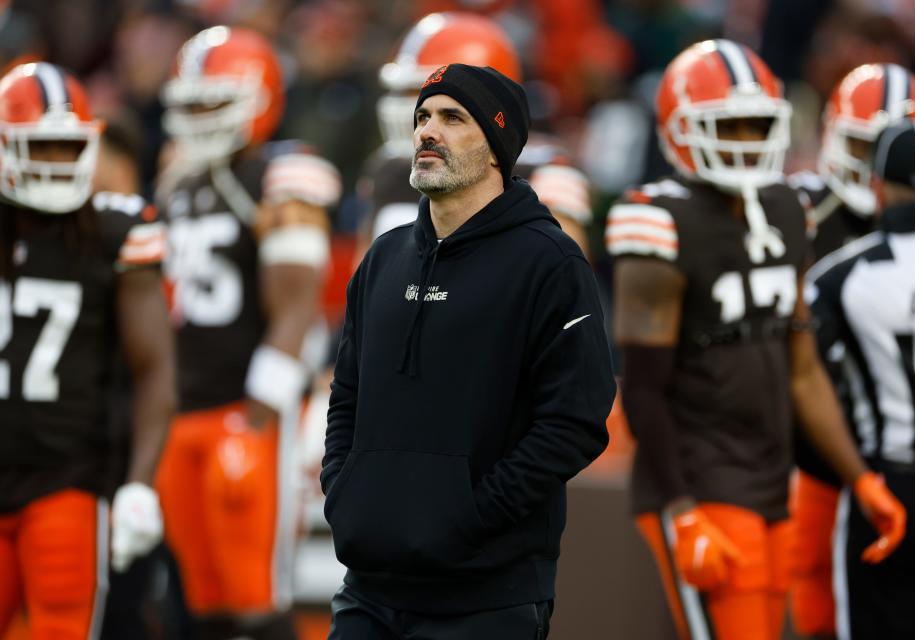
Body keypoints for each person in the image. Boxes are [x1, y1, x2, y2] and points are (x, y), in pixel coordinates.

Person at [606, 40, 906, 640]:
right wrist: (679, 509)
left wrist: (859, 476)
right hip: (702, 481)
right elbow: (642, 390)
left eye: (755, 125)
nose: (743, 140)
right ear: (679, 130)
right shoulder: (658, 222)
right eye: (727, 125)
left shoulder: (787, 208)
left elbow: (802, 368)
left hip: (773, 482)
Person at [322, 63, 616, 639]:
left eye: (453, 117)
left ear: (495, 148)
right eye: (423, 117)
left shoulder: (549, 262)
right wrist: (345, 490)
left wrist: (472, 517)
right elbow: (347, 393)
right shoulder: (382, 257)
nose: (427, 131)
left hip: (487, 598)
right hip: (368, 589)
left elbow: (576, 421)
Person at [153, 26, 341, 640]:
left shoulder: (280, 179)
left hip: (247, 407)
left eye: (215, 100)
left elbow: (296, 308)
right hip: (185, 408)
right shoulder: (178, 181)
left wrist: (253, 420)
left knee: (253, 590)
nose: (200, 115)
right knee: (201, 596)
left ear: (258, 99)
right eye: (193, 101)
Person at [0, 62, 175, 639]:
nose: (53, 162)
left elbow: (153, 366)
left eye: (65, 146)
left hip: (67, 477)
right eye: (38, 146)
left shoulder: (113, 230)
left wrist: (140, 483)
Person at [786, 63, 915, 639]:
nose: (873, 164)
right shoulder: (796, 213)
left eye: (887, 148)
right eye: (861, 144)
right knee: (821, 610)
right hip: (821, 457)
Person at [805, 120, 915, 639]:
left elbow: (804, 385)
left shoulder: (838, 277)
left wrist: (856, 478)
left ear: (877, 186)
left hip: (891, 493)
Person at [360, 11, 594, 258]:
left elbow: (562, 284)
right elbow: (366, 282)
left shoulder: (546, 178)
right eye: (403, 92)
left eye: (420, 92)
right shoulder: (389, 170)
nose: (413, 107)